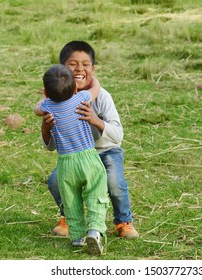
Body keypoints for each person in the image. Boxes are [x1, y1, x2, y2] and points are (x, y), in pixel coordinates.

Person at [41, 41, 139, 239]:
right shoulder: (55, 101)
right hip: (76, 158)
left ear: (93, 69)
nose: (79, 69)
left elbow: (118, 134)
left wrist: (96, 121)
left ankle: (123, 221)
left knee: (114, 182)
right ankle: (69, 218)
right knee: (55, 181)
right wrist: (46, 127)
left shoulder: (102, 97)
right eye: (72, 64)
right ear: (62, 70)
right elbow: (50, 146)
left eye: (85, 64)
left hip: (105, 151)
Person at [35, 64, 108, 255]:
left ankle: (77, 237)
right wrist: (93, 80)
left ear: (46, 92)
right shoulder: (80, 98)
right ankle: (94, 230)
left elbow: (36, 109)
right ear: (75, 88)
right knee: (96, 193)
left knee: (71, 200)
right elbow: (95, 90)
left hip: (66, 164)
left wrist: (44, 100)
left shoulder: (47, 107)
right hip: (88, 158)